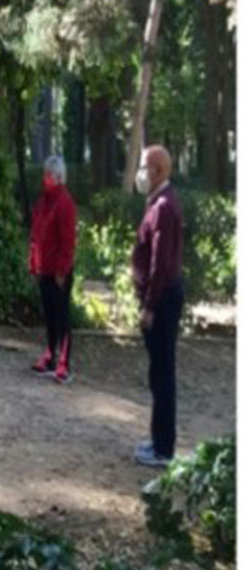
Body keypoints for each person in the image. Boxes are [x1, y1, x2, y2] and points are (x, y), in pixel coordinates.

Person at [132, 145, 184, 468]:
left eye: (143, 166)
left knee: (163, 373)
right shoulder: (159, 202)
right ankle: (158, 439)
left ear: (158, 170)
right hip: (161, 298)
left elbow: (160, 263)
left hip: (162, 300)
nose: (140, 173)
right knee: (158, 372)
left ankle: (164, 449)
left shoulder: (164, 206)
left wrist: (149, 306)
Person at [28, 155, 78, 383]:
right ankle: (50, 354)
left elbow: (67, 241)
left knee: (62, 315)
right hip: (44, 268)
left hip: (59, 271)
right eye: (45, 173)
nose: (46, 178)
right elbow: (36, 234)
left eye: (50, 174)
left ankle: (64, 362)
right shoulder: (43, 202)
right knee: (49, 314)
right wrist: (34, 263)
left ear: (59, 177)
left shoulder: (65, 202)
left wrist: (62, 270)